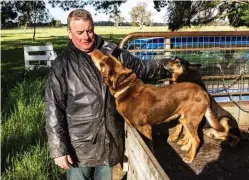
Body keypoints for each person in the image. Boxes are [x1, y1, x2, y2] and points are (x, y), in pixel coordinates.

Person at [45, 9, 170, 180]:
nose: (86, 37)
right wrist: (59, 149)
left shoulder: (112, 53)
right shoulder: (62, 64)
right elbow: (53, 108)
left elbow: (142, 68)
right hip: (79, 147)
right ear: (69, 33)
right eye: (79, 32)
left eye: (89, 30)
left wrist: (169, 66)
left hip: (110, 141)